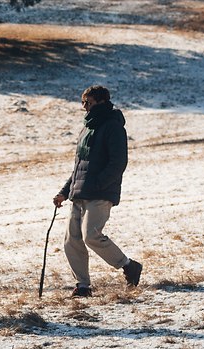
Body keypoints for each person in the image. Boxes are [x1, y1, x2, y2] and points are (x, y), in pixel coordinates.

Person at [52, 85, 144, 298]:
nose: (85, 107)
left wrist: (100, 184)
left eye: (89, 102)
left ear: (102, 102)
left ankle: (129, 266)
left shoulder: (113, 126)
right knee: (71, 240)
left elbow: (118, 162)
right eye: (83, 102)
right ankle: (83, 286)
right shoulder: (87, 128)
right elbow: (79, 167)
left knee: (91, 235)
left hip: (100, 193)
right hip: (79, 193)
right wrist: (64, 192)